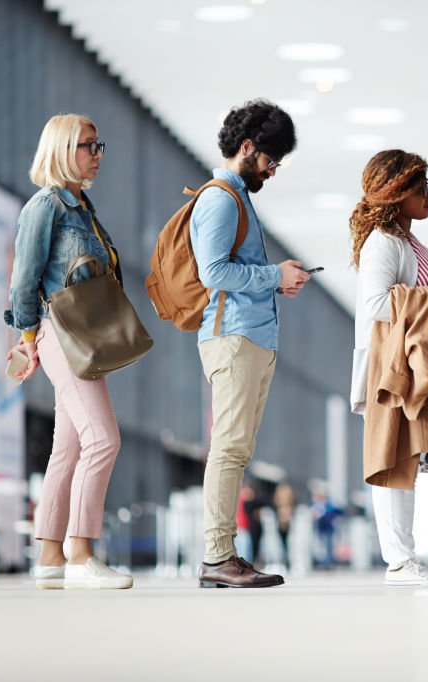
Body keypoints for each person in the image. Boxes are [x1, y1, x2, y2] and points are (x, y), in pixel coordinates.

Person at [6, 113, 131, 590]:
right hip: (60, 331)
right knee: (104, 439)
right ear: (61, 149)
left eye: (100, 146)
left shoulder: (82, 208)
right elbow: (24, 280)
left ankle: (50, 557)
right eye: (87, 146)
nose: (97, 156)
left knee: (70, 446)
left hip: (84, 334)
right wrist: (29, 338)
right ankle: (81, 553)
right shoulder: (46, 206)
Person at [192, 99, 309, 589]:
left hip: (252, 337)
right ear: (248, 147)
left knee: (237, 449)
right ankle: (217, 556)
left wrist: (275, 281)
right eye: (270, 160)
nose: (273, 170)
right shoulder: (220, 198)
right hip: (233, 335)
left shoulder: (239, 197)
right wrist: (273, 275)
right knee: (229, 448)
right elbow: (212, 271)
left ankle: (224, 555)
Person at [350, 149, 428, 587]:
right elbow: (375, 304)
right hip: (393, 369)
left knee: (408, 456)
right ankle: (399, 562)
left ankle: (404, 559)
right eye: (422, 187)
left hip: (415, 366)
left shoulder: (405, 240)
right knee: (393, 458)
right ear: (397, 192)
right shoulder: (383, 244)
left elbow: (412, 296)